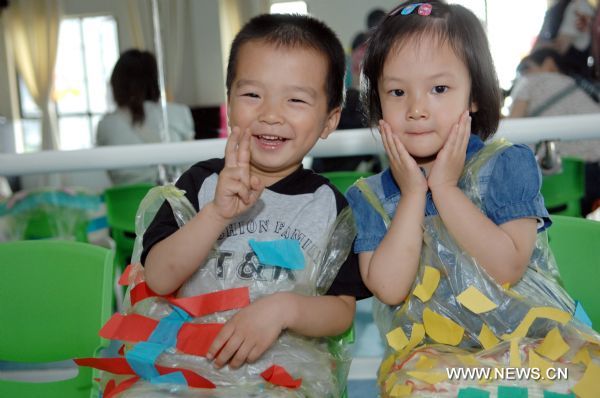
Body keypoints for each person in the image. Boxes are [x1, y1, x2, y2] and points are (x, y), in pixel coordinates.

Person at [347, 1, 599, 396]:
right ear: (378, 102)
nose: (416, 109)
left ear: (475, 96)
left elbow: (507, 267)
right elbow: (390, 289)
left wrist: (445, 190)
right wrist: (414, 193)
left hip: (530, 344)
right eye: (397, 91)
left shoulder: (505, 165)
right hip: (431, 359)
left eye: (439, 89)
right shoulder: (371, 196)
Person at [123, 14, 370, 396]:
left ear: (329, 120)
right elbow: (159, 277)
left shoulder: (327, 206)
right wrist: (216, 214)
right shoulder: (200, 184)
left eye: (297, 99)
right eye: (252, 95)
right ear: (229, 102)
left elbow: (341, 311)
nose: (271, 114)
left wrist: (284, 309)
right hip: (185, 368)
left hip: (280, 371)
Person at [96, 49, 194, 186]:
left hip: (127, 204)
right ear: (155, 80)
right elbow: (190, 168)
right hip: (174, 202)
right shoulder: (179, 113)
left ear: (117, 83)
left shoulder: (106, 125)